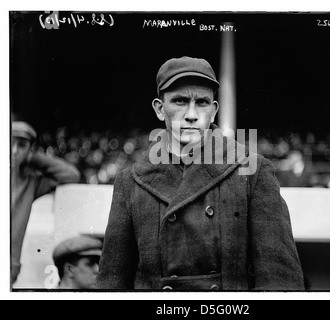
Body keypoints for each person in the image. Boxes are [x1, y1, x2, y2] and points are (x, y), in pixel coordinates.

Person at [97, 57, 304, 291]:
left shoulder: (253, 171)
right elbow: (111, 286)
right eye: (180, 101)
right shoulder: (130, 181)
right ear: (159, 109)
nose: (192, 114)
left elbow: (280, 281)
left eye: (202, 102)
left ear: (214, 111)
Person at [11, 121, 81, 285]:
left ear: (29, 150)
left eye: (21, 146)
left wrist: (34, 158)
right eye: (8, 143)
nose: (13, 151)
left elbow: (70, 175)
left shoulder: (30, 183)